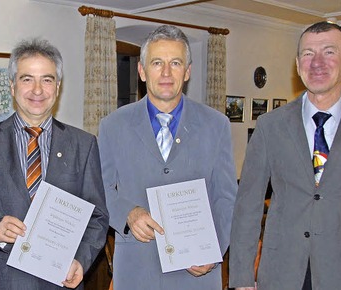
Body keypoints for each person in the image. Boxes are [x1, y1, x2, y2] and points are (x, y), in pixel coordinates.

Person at [0, 38, 109, 290]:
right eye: (27, 79)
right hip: (6, 279)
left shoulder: (84, 144)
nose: (37, 90)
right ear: (12, 86)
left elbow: (97, 216)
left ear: (57, 87)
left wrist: (81, 260)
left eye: (47, 80)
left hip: (62, 279)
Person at [98, 24, 237, 290]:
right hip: (137, 270)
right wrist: (128, 213)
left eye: (175, 63)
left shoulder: (216, 125)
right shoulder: (113, 125)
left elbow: (226, 197)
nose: (165, 73)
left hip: (197, 272)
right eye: (157, 63)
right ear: (141, 70)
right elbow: (101, 190)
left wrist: (213, 249)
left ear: (187, 72)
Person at [229, 21, 341, 290]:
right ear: (298, 64)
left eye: (329, 52)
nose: (317, 62)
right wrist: (241, 277)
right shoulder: (271, 126)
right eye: (308, 54)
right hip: (281, 273)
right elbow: (248, 206)